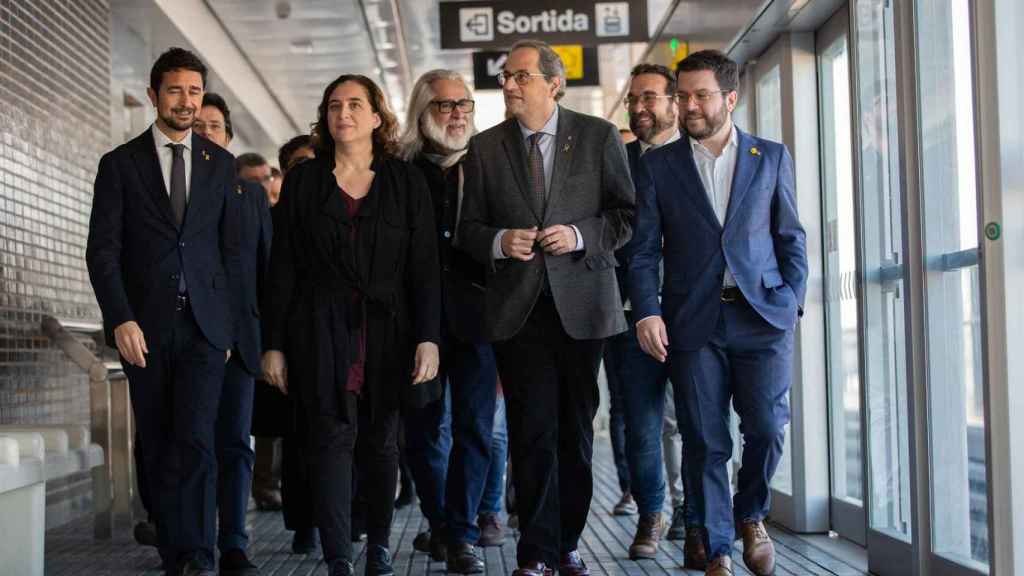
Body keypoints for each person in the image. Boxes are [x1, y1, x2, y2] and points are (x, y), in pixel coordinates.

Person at [458, 39, 635, 576]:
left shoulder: (600, 136)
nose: (509, 85)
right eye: (507, 77)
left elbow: (625, 216)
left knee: (574, 433)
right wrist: (499, 241)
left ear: (554, 84)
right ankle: (535, 551)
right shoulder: (485, 148)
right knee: (532, 428)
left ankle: (567, 542)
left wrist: (580, 234)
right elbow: (467, 231)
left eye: (521, 77)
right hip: (519, 309)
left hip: (583, 305)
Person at [629, 50, 808, 576]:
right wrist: (647, 311)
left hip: (762, 317)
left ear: (730, 97)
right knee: (706, 439)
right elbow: (643, 250)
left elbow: (790, 237)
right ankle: (721, 547)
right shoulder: (658, 166)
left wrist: (791, 300)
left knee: (768, 428)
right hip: (693, 323)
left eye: (700, 94)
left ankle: (751, 513)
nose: (689, 105)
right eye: (682, 95)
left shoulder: (770, 156)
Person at [261, 74, 441, 576]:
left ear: (377, 117)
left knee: (382, 442)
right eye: (334, 105)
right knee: (329, 439)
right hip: (319, 328)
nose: (344, 113)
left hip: (390, 331)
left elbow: (424, 267)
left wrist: (429, 338)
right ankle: (338, 552)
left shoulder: (407, 182)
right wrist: (273, 344)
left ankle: (379, 544)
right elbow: (284, 268)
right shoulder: (303, 182)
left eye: (356, 104)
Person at [86, 47, 239, 576]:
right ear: (154, 95)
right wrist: (120, 317)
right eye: (175, 90)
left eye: (194, 91)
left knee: (196, 437)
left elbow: (228, 251)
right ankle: (175, 546)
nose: (186, 101)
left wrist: (228, 329)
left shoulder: (220, 165)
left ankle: (196, 554)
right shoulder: (120, 164)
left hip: (203, 328)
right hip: (144, 328)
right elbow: (102, 251)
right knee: (157, 440)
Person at [398, 69, 503, 572]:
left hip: (479, 320)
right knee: (420, 431)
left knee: (475, 429)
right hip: (415, 324)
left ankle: (460, 533)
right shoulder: (398, 171)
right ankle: (442, 523)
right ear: (423, 113)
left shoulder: (490, 163)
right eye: (445, 105)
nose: (458, 113)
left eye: (464, 104)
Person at [604, 63, 703, 567]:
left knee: (696, 421)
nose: (639, 109)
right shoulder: (615, 164)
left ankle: (693, 511)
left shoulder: (700, 159)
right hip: (629, 312)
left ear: (673, 102)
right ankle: (652, 513)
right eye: (633, 101)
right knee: (642, 425)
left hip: (693, 312)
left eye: (650, 99)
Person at [193, 92, 270, 575]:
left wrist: (270, 341)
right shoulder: (174, 196)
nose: (206, 134)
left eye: (215, 126)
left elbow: (266, 270)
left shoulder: (252, 196)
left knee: (236, 444)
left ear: (228, 138)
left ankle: (234, 543)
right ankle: (193, 543)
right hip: (194, 340)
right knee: (193, 445)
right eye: (197, 126)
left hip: (241, 342)